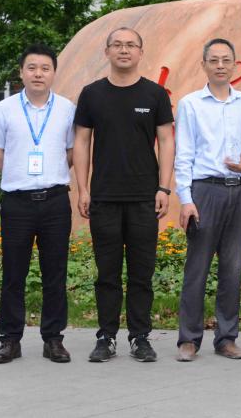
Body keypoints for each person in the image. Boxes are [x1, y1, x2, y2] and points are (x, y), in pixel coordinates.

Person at [72, 27, 175, 364]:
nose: (124, 50)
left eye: (131, 45)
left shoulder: (154, 94)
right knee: (107, 273)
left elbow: (166, 141)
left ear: (141, 52)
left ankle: (140, 337)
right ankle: (106, 336)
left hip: (145, 197)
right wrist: (83, 188)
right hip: (103, 197)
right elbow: (82, 141)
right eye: (117, 45)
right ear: (107, 52)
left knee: (142, 273)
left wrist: (164, 187)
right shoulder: (92, 94)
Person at [0, 44, 76, 364]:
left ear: (54, 73)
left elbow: (72, 151)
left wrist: (50, 173)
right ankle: (10, 339)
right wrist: (18, 173)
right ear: (21, 72)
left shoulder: (67, 109)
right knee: (13, 273)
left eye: (45, 68)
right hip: (17, 203)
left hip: (55, 201)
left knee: (55, 273)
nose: (38, 74)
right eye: (32, 68)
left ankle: (53, 339)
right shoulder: (4, 109)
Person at [175, 38, 241, 362]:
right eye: (214, 60)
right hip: (205, 192)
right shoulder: (190, 104)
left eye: (226, 60)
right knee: (197, 267)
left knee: (233, 267)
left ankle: (226, 338)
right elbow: (183, 154)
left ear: (235, 65)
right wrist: (186, 199)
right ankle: (189, 339)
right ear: (204, 65)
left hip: (240, 190)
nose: (220, 66)